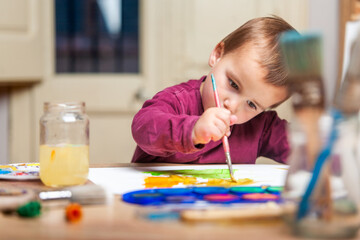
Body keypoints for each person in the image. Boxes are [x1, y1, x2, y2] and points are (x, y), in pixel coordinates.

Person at [131, 15, 296, 164]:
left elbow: (305, 149)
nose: (232, 105)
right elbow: (143, 128)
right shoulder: (178, 100)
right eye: (233, 84)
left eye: (252, 104)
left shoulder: (261, 126)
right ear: (217, 55)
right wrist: (193, 131)